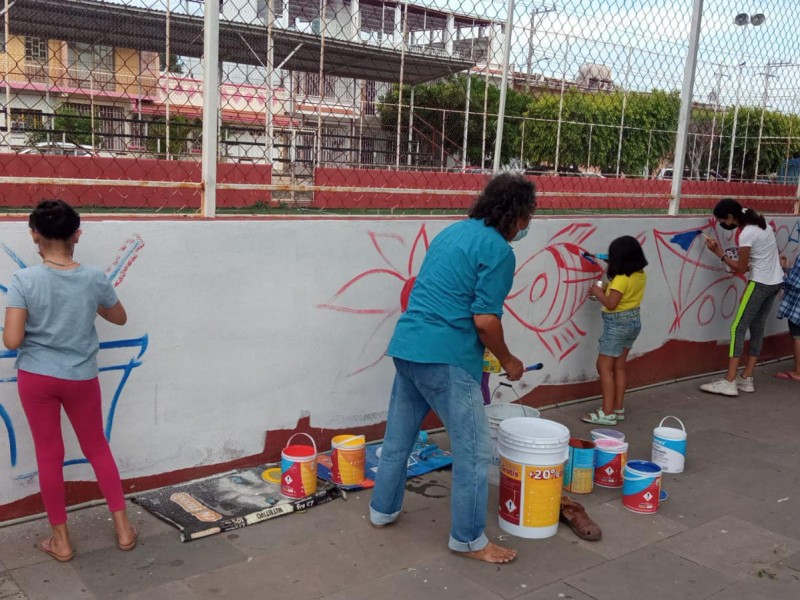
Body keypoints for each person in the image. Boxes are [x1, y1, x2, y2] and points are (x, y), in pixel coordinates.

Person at [369, 173, 535, 564]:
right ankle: (469, 540)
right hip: (446, 359)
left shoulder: (452, 233)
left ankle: (382, 510)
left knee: (398, 440)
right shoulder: (499, 251)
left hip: (408, 347)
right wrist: (508, 360)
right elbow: (485, 321)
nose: (528, 225)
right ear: (514, 214)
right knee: (474, 453)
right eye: (528, 216)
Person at [2, 200, 137, 562]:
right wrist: (88, 303)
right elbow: (120, 318)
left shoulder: (23, 280)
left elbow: (12, 341)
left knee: (49, 456)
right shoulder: (93, 278)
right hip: (81, 377)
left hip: (37, 378)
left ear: (34, 235)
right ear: (77, 234)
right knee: (97, 448)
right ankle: (124, 529)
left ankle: (61, 542)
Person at [700, 198, 784, 396]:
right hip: (774, 281)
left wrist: (719, 253)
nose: (722, 225)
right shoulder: (759, 222)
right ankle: (746, 378)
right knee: (757, 328)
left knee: (737, 328)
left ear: (731, 217)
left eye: (723, 221)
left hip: (760, 283)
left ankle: (729, 381)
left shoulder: (746, 233)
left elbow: (741, 267)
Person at [581, 236, 647, 425]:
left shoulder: (620, 279)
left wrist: (599, 292)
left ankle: (607, 412)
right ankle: (618, 408)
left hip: (617, 324)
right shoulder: (640, 274)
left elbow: (611, 303)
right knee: (619, 366)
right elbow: (625, 293)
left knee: (603, 367)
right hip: (633, 321)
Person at [775, 253, 800, 382]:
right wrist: (786, 268)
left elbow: (795, 282)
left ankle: (798, 371)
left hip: (797, 305)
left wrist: (780, 275)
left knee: (797, 336)